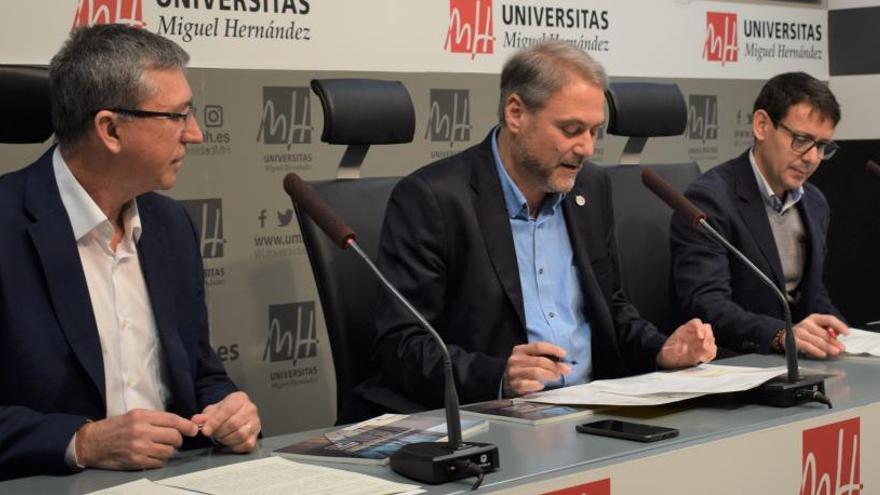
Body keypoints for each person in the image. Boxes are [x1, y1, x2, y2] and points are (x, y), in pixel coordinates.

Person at [342, 41, 716, 422]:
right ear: (516, 113)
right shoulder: (433, 199)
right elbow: (401, 345)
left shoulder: (590, 188)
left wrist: (661, 349)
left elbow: (611, 308)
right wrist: (499, 375)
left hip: (594, 408)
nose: (586, 147)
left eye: (594, 131)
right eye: (571, 129)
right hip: (495, 418)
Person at [0, 24, 260, 480]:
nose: (195, 134)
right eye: (177, 116)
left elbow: (200, 372)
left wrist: (227, 407)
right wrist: (80, 441)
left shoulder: (170, 226)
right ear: (111, 129)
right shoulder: (6, 227)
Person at [670, 72, 848, 359]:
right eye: (802, 140)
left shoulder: (815, 202)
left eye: (822, 146)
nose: (813, 158)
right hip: (736, 366)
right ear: (762, 125)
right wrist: (780, 336)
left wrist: (837, 332)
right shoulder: (710, 200)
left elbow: (810, 293)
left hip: (798, 362)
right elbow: (707, 305)